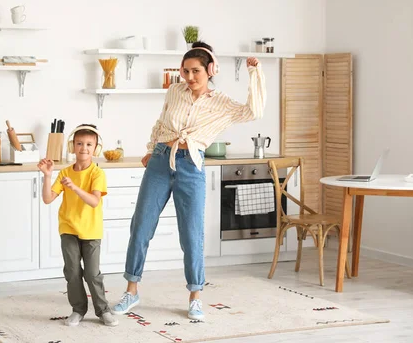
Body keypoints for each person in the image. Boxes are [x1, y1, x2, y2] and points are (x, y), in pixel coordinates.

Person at [112, 41, 265, 320]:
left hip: (191, 165)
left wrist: (255, 74)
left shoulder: (222, 103)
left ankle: (195, 296)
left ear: (210, 70)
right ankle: (131, 290)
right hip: (160, 161)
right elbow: (160, 123)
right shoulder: (174, 91)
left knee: (191, 235)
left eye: (195, 71)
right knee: (141, 226)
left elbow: (253, 112)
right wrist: (150, 149)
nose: (190, 77)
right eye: (185, 71)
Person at [37, 124, 118, 327]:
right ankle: (78, 309)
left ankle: (103, 310)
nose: (84, 148)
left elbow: (94, 201)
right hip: (69, 229)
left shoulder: (97, 173)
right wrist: (47, 176)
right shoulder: (64, 172)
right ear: (73, 146)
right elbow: (48, 198)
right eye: (80, 143)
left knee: (92, 274)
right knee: (72, 272)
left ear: (96, 148)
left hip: (91, 231)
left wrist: (74, 187)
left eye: (89, 144)